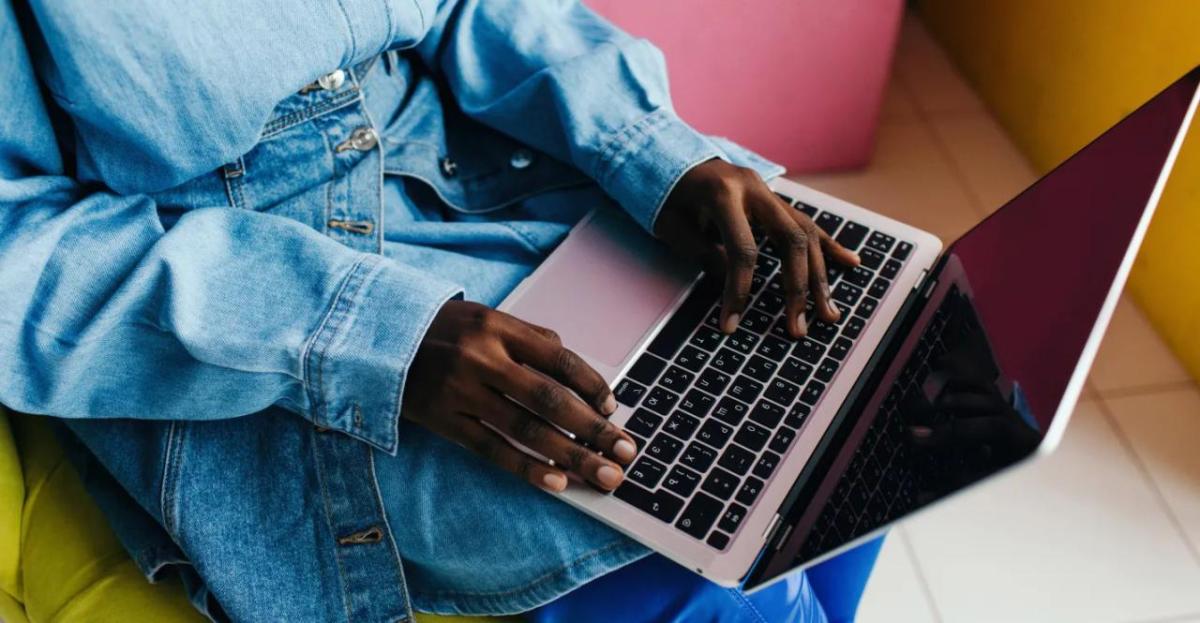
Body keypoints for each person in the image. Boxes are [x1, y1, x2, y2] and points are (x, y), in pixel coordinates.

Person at [0, 0, 873, 620]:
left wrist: (652, 151)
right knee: (701, 541)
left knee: (872, 372)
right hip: (239, 305)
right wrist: (383, 341)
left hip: (473, 161)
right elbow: (19, 245)